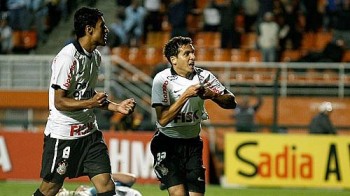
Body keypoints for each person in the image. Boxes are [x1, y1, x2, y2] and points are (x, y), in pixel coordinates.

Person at [33, 7, 136, 196]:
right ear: (89, 29)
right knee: (51, 188)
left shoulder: (95, 57)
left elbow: (86, 94)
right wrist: (91, 103)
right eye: (102, 26)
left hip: (89, 133)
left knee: (106, 185)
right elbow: (60, 102)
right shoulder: (67, 58)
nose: (106, 30)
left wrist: (116, 107)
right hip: (63, 135)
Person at [150, 36, 236, 196]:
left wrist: (212, 95)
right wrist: (185, 96)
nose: (193, 57)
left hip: (193, 144)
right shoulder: (161, 80)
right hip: (168, 143)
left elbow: (231, 102)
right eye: (187, 54)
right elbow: (162, 119)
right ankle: (168, 177)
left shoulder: (204, 76)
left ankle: (170, 177)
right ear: (173, 59)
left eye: (193, 53)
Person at [56, 173, 142, 196]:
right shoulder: (91, 192)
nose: (82, 186)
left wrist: (104, 176)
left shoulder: (115, 183)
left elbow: (131, 178)